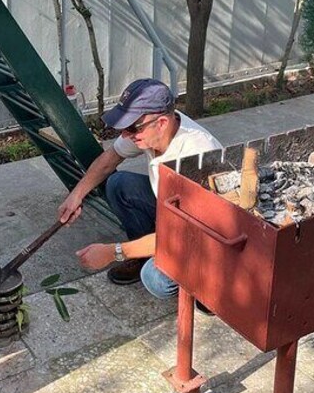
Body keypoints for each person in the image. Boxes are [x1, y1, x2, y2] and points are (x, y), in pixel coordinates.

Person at [58, 78, 222, 299]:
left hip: (203, 237)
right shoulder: (148, 131)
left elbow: (183, 236)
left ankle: (204, 285)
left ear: (162, 122)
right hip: (174, 210)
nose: (126, 134)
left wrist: (114, 252)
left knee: (156, 280)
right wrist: (76, 195)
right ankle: (144, 252)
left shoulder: (196, 155)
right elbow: (109, 159)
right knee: (118, 184)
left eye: (132, 128)